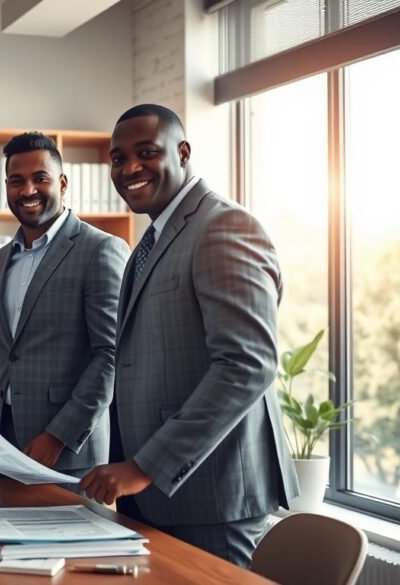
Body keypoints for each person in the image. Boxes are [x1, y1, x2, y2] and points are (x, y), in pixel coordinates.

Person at [79, 104, 299, 567]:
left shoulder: (222, 226)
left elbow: (247, 365)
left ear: (182, 152)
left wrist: (144, 466)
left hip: (211, 494)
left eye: (145, 152)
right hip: (156, 495)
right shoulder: (153, 240)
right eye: (118, 159)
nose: (129, 168)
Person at [0, 132, 130, 480]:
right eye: (17, 181)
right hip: (5, 442)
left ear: (62, 183)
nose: (27, 190)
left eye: (39, 178)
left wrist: (58, 435)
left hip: (70, 450)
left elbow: (111, 355)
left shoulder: (99, 250)